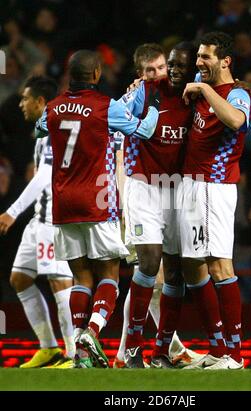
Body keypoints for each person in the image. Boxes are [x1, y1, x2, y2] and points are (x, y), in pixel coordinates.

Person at [37, 49, 160, 368]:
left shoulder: (52, 107)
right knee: (108, 275)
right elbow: (143, 130)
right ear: (96, 75)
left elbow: (40, 127)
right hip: (97, 200)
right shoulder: (106, 107)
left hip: (63, 203)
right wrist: (155, 107)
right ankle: (91, 331)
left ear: (69, 74)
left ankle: (79, 350)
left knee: (81, 277)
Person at [114, 43, 201, 369]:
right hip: (142, 188)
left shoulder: (198, 98)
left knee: (173, 273)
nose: (171, 72)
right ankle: (132, 351)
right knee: (148, 265)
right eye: (170, 66)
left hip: (177, 192)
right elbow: (112, 123)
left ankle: (162, 350)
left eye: (176, 66)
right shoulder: (144, 92)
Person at [178, 31, 251, 370]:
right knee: (192, 267)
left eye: (206, 57)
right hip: (190, 185)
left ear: (225, 61)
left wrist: (205, 89)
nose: (199, 63)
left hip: (215, 186)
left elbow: (236, 121)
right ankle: (217, 347)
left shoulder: (240, 93)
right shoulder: (199, 82)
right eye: (198, 57)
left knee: (219, 265)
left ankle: (236, 355)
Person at [0, 76, 75, 368]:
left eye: (25, 98)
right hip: (39, 220)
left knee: (60, 282)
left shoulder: (51, 128)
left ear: (40, 102)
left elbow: (44, 176)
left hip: (53, 220)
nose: (21, 104)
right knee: (20, 279)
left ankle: (73, 353)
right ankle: (49, 348)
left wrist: (12, 211)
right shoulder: (44, 127)